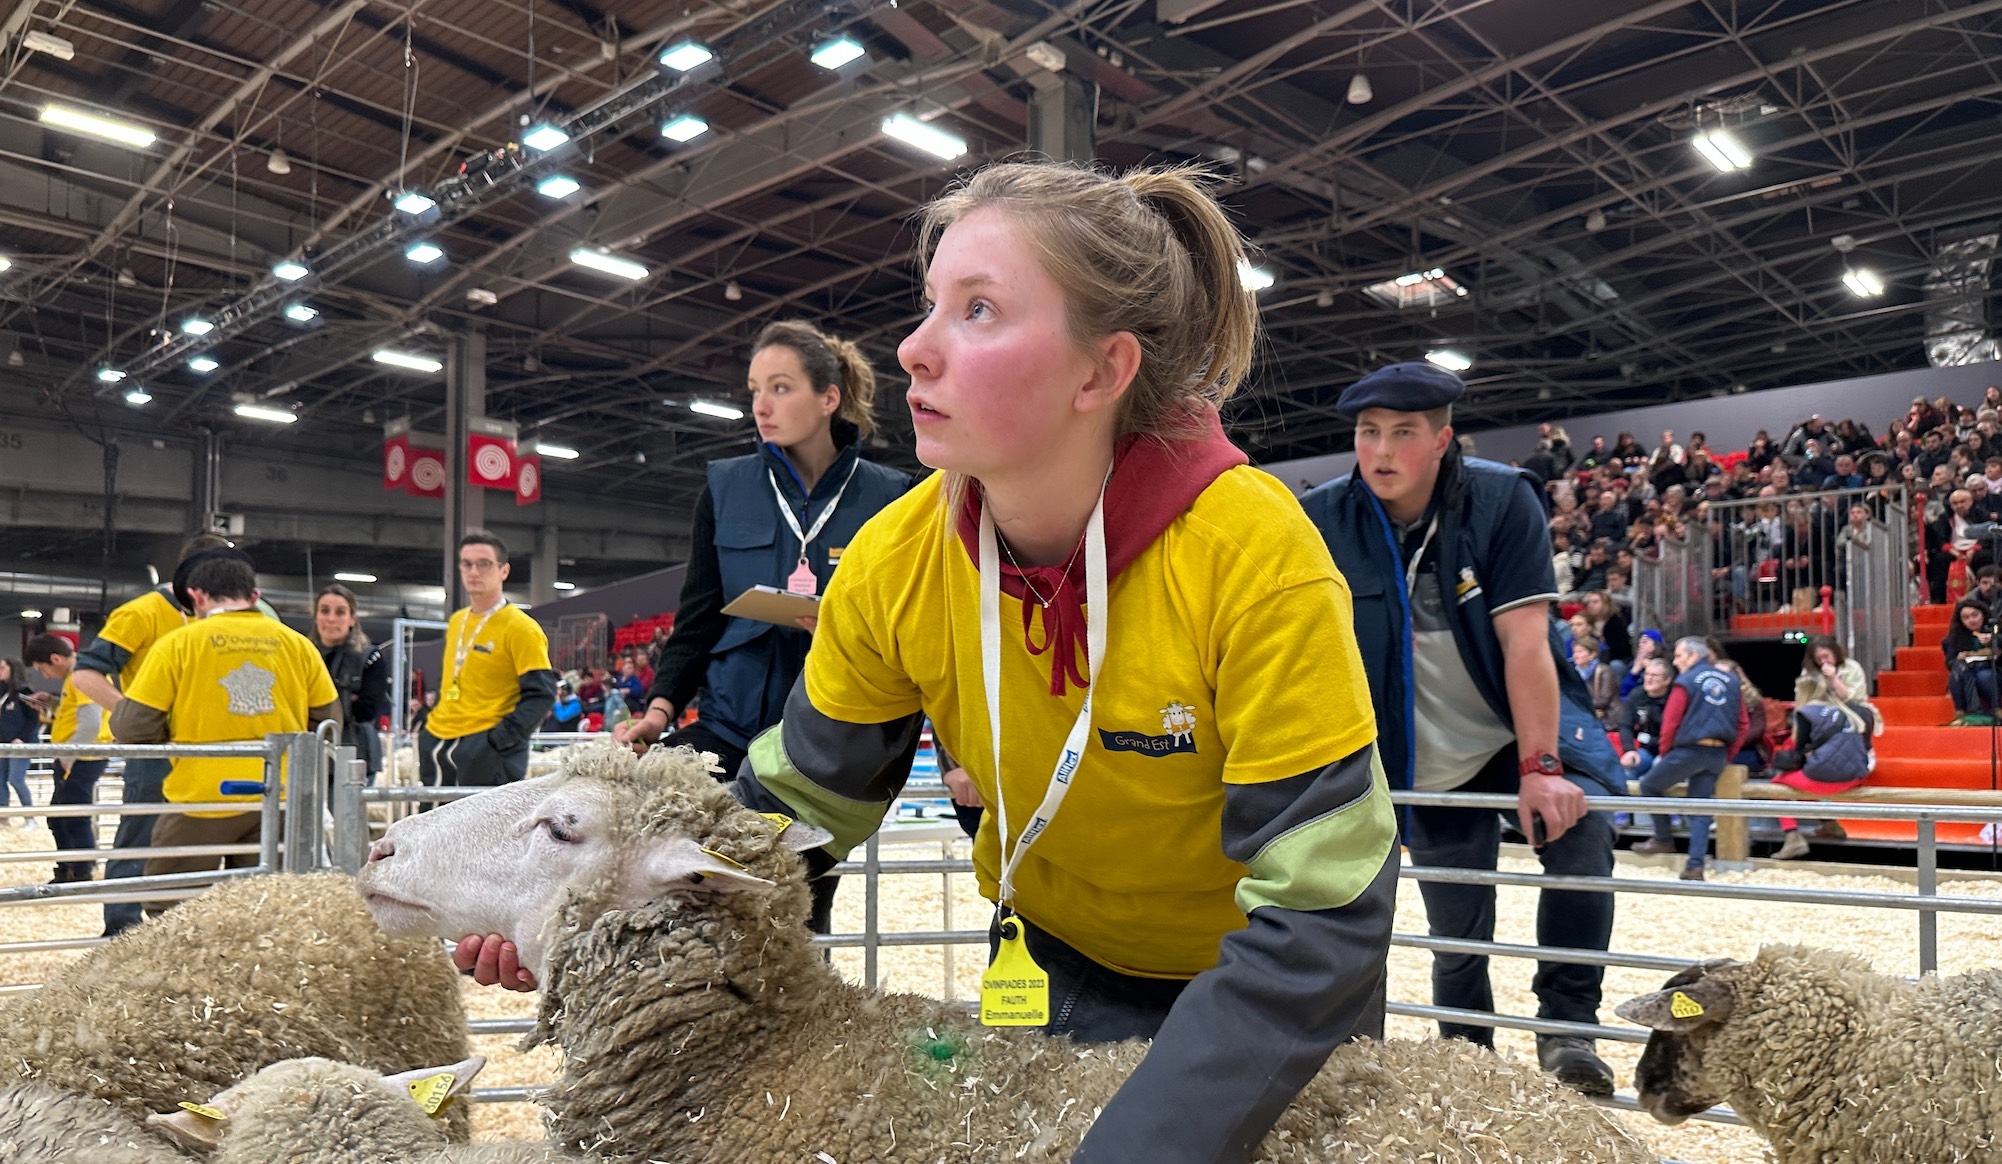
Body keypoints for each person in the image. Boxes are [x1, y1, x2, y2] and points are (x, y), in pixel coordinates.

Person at [468, 161, 1399, 1164]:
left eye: (980, 310)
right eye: (928, 307)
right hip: (1057, 964)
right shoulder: (896, 558)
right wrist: (596, 905)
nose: (912, 348)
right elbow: (796, 806)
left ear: (1100, 371)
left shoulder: (1255, 557)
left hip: (1264, 1000)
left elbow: (1321, 913)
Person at [1301, 361, 1622, 1096]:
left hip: (1518, 732)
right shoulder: (1323, 516)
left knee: (1584, 842)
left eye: (1403, 433)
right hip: (1416, 753)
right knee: (1456, 925)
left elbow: (1524, 643)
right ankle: (1466, 1057)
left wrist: (1543, 766)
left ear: (1442, 439)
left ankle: (1569, 1032)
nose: (1381, 451)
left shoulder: (1504, 499)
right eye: (1368, 432)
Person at [613, 320, 912, 778]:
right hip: (727, 728)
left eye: (780, 388)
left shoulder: (890, 497)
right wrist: (658, 713)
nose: (762, 406)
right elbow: (698, 619)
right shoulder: (724, 489)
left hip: (832, 738)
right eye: (755, 390)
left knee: (776, 848)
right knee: (645, 799)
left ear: (829, 398)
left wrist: (844, 635)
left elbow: (909, 633)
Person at [108, 552, 339, 898]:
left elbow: (132, 726)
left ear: (197, 597)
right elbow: (329, 722)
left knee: (171, 909)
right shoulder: (299, 646)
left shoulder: (176, 645)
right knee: (265, 910)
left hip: (199, 796)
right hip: (278, 796)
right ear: (255, 597)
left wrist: (171, 732)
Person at [71, 532, 234, 936]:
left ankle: (189, 931)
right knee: (140, 836)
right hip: (157, 751)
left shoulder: (225, 621)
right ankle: (121, 931)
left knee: (201, 843)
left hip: (210, 750)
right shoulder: (141, 613)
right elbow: (85, 673)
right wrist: (136, 716)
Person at [418, 531, 556, 788]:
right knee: (434, 821)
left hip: (485, 748)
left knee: (483, 827)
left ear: (503, 571)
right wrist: (428, 724)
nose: (474, 572)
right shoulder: (457, 620)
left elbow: (542, 694)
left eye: (484, 564)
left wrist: (498, 741)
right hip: (438, 739)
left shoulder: (521, 627)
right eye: (466, 564)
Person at [1633, 638, 1748, 881]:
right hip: (1717, 752)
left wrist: (1666, 755)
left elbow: (1670, 722)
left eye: (1679, 656)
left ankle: (1663, 839)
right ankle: (1695, 865)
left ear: (1694, 656)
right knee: (1701, 807)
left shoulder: (1684, 682)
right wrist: (1728, 754)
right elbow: (1742, 723)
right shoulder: (1731, 681)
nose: (1676, 662)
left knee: (1649, 785)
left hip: (1688, 750)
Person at [1766, 672, 1876, 861]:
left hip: (1828, 778)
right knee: (1803, 783)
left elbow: (1799, 751)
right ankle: (1829, 823)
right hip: (1856, 776)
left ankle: (1792, 836)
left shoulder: (1806, 713)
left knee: (1778, 786)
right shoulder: (1849, 710)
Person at [23, 637, 108, 878]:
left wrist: (68, 757)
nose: (45, 675)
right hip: (77, 756)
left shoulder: (83, 676)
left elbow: (92, 722)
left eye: (42, 669)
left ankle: (80, 874)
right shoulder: (77, 676)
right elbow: (78, 714)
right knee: (61, 817)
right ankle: (69, 869)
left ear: (55, 659)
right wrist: (53, 703)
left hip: (82, 758)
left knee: (73, 817)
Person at [313, 585, 390, 780]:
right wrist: (347, 698)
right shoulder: (302, 654)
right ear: (316, 616)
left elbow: (367, 711)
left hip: (356, 757)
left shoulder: (371, 657)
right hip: (310, 755)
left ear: (352, 619)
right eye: (324, 611)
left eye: (340, 612)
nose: (331, 618)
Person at [0, 658, 38, 827]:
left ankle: (30, 818)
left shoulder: (25, 691)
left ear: (12, 670)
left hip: (21, 743)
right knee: (0, 780)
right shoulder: (2, 691)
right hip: (3, 743)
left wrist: (21, 738)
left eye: (2, 668)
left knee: (16, 779)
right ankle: (3, 817)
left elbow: (33, 720)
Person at [1943, 598, 1996, 718]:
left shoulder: (1995, 628)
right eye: (1966, 618)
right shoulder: (1954, 637)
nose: (1971, 620)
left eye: (1974, 615)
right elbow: (1950, 663)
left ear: (1983, 614)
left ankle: (1990, 709)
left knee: (1983, 676)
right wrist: (1959, 658)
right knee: (1960, 667)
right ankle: (1964, 711)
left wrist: (1993, 642)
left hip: (1992, 669)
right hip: (1967, 671)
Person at [1802, 635, 1868, 705]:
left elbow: (1852, 699)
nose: (1823, 661)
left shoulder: (1852, 667)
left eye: (1826, 656)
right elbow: (1803, 698)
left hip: (1853, 709)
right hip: (1821, 710)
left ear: (1835, 653)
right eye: (1818, 659)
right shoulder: (1809, 671)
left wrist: (1833, 678)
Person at [1572, 634, 1617, 725]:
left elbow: (1604, 700)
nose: (1575, 655)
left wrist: (1580, 703)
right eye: (1574, 652)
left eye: (1580, 651)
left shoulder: (1604, 671)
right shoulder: (1573, 672)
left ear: (1592, 654)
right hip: (1582, 714)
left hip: (1605, 718)